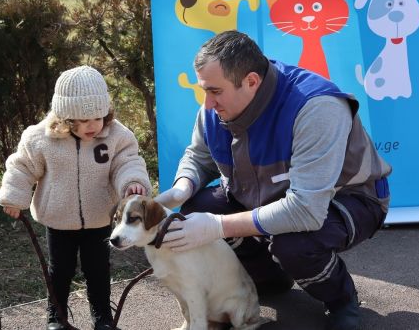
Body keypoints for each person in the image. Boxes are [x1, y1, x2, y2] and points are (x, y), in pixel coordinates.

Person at [155, 31, 391, 330]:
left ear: (251, 81)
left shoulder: (317, 107)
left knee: (293, 244)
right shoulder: (217, 105)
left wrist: (216, 226)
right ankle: (269, 275)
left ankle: (341, 298)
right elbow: (199, 156)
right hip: (267, 195)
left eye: (215, 91)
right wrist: (182, 187)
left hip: (349, 200)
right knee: (195, 205)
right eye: (205, 90)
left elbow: (305, 210)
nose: (208, 103)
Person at [0, 65, 150, 330]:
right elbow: (21, 166)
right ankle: (56, 317)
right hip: (58, 219)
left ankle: (102, 316)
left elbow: (127, 161)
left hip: (99, 216)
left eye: (98, 117)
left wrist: (133, 182)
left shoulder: (116, 135)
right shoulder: (41, 138)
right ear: (66, 117)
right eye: (84, 119)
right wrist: (14, 196)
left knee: (98, 270)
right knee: (60, 271)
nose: (93, 125)